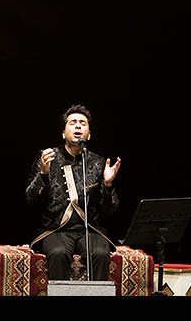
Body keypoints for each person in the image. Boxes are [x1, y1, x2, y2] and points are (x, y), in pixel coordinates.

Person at [25, 104, 122, 281]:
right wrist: (43, 175)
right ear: (63, 133)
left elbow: (109, 211)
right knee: (58, 252)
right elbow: (30, 200)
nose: (78, 126)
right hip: (55, 229)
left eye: (83, 123)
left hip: (89, 229)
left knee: (100, 252)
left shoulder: (98, 163)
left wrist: (108, 185)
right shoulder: (47, 156)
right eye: (73, 122)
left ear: (89, 134)